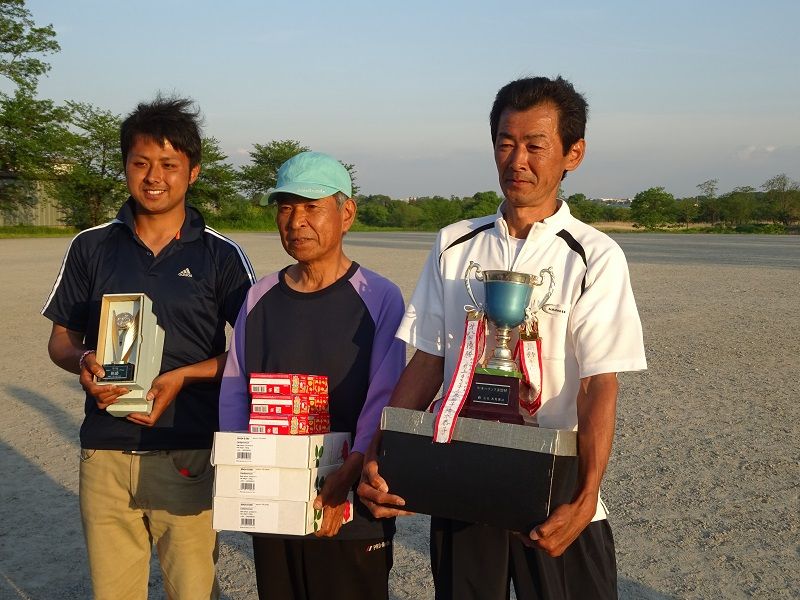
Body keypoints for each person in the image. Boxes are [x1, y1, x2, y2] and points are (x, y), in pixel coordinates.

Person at [358, 76, 647, 600]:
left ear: (572, 154)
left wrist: (586, 495)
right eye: (506, 143)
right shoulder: (454, 244)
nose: (518, 160)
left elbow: (600, 383)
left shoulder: (594, 254)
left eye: (536, 145)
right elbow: (427, 360)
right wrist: (388, 449)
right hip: (465, 475)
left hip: (553, 488)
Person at [42, 96, 257, 600]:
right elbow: (61, 338)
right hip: (106, 450)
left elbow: (254, 350)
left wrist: (183, 376)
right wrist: (82, 361)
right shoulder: (91, 246)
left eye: (168, 164)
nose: (153, 176)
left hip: (188, 449)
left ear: (193, 172)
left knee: (192, 589)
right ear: (125, 168)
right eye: (140, 163)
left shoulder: (220, 255)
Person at [218, 151, 406, 600]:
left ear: (347, 213)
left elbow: (385, 395)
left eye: (311, 206)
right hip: (274, 497)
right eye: (286, 207)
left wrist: (350, 468)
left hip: (350, 498)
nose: (296, 220)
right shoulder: (260, 294)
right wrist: (243, 464)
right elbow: (235, 388)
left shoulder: (379, 297)